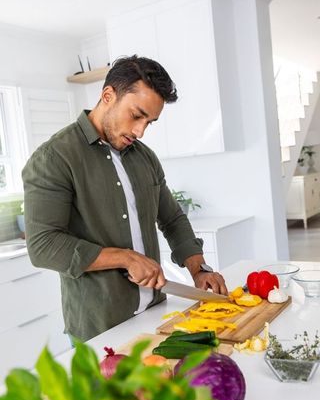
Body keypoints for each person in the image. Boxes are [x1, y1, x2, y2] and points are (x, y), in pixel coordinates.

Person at [22, 55, 227, 342]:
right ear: (108, 95)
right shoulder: (54, 158)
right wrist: (125, 258)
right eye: (136, 115)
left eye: (149, 122)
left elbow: (172, 218)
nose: (140, 131)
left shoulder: (145, 157)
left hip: (156, 316)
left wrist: (199, 268)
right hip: (99, 329)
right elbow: (43, 245)